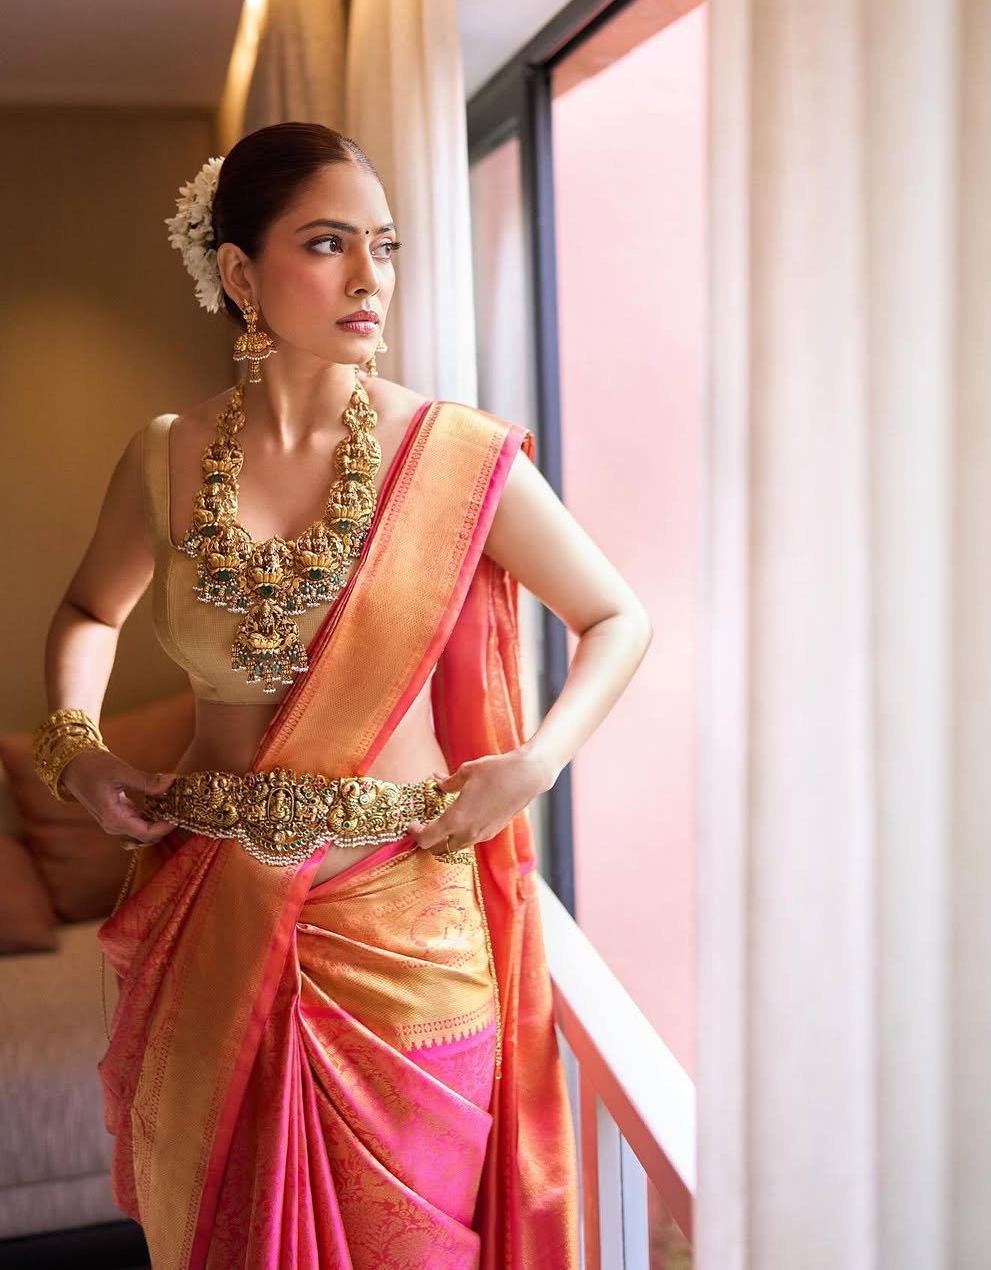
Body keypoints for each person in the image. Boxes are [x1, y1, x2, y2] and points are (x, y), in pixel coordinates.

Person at [31, 121, 652, 1269]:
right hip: (206, 898)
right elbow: (86, 613)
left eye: (387, 244)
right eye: (329, 244)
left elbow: (618, 616)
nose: (372, 278)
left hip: (402, 934)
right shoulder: (163, 456)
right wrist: (80, 747)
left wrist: (538, 759)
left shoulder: (458, 460)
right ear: (238, 272)